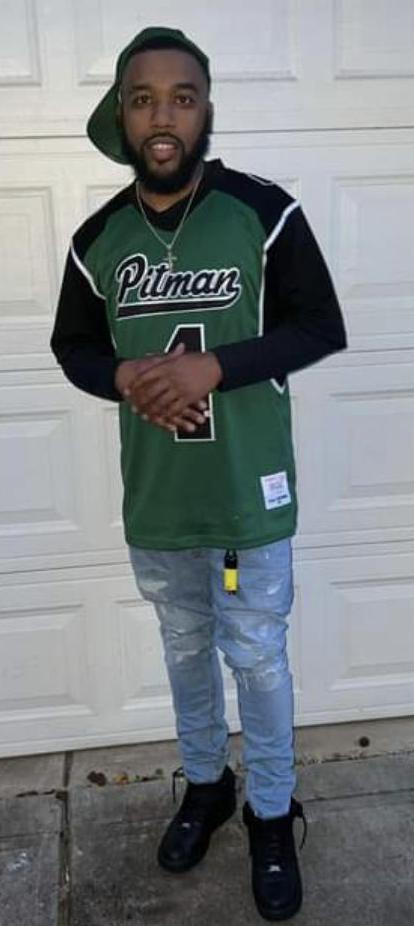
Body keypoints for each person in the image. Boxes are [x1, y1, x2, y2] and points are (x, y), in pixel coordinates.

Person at [50, 26, 347, 921]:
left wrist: (215, 366)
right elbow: (72, 346)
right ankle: (208, 786)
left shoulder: (265, 211)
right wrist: (123, 378)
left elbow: (320, 325)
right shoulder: (97, 237)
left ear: (206, 108)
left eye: (182, 97)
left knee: (257, 656)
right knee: (183, 649)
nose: (163, 116)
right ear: (122, 113)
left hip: (247, 490)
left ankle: (270, 812)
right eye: (144, 99)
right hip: (161, 495)